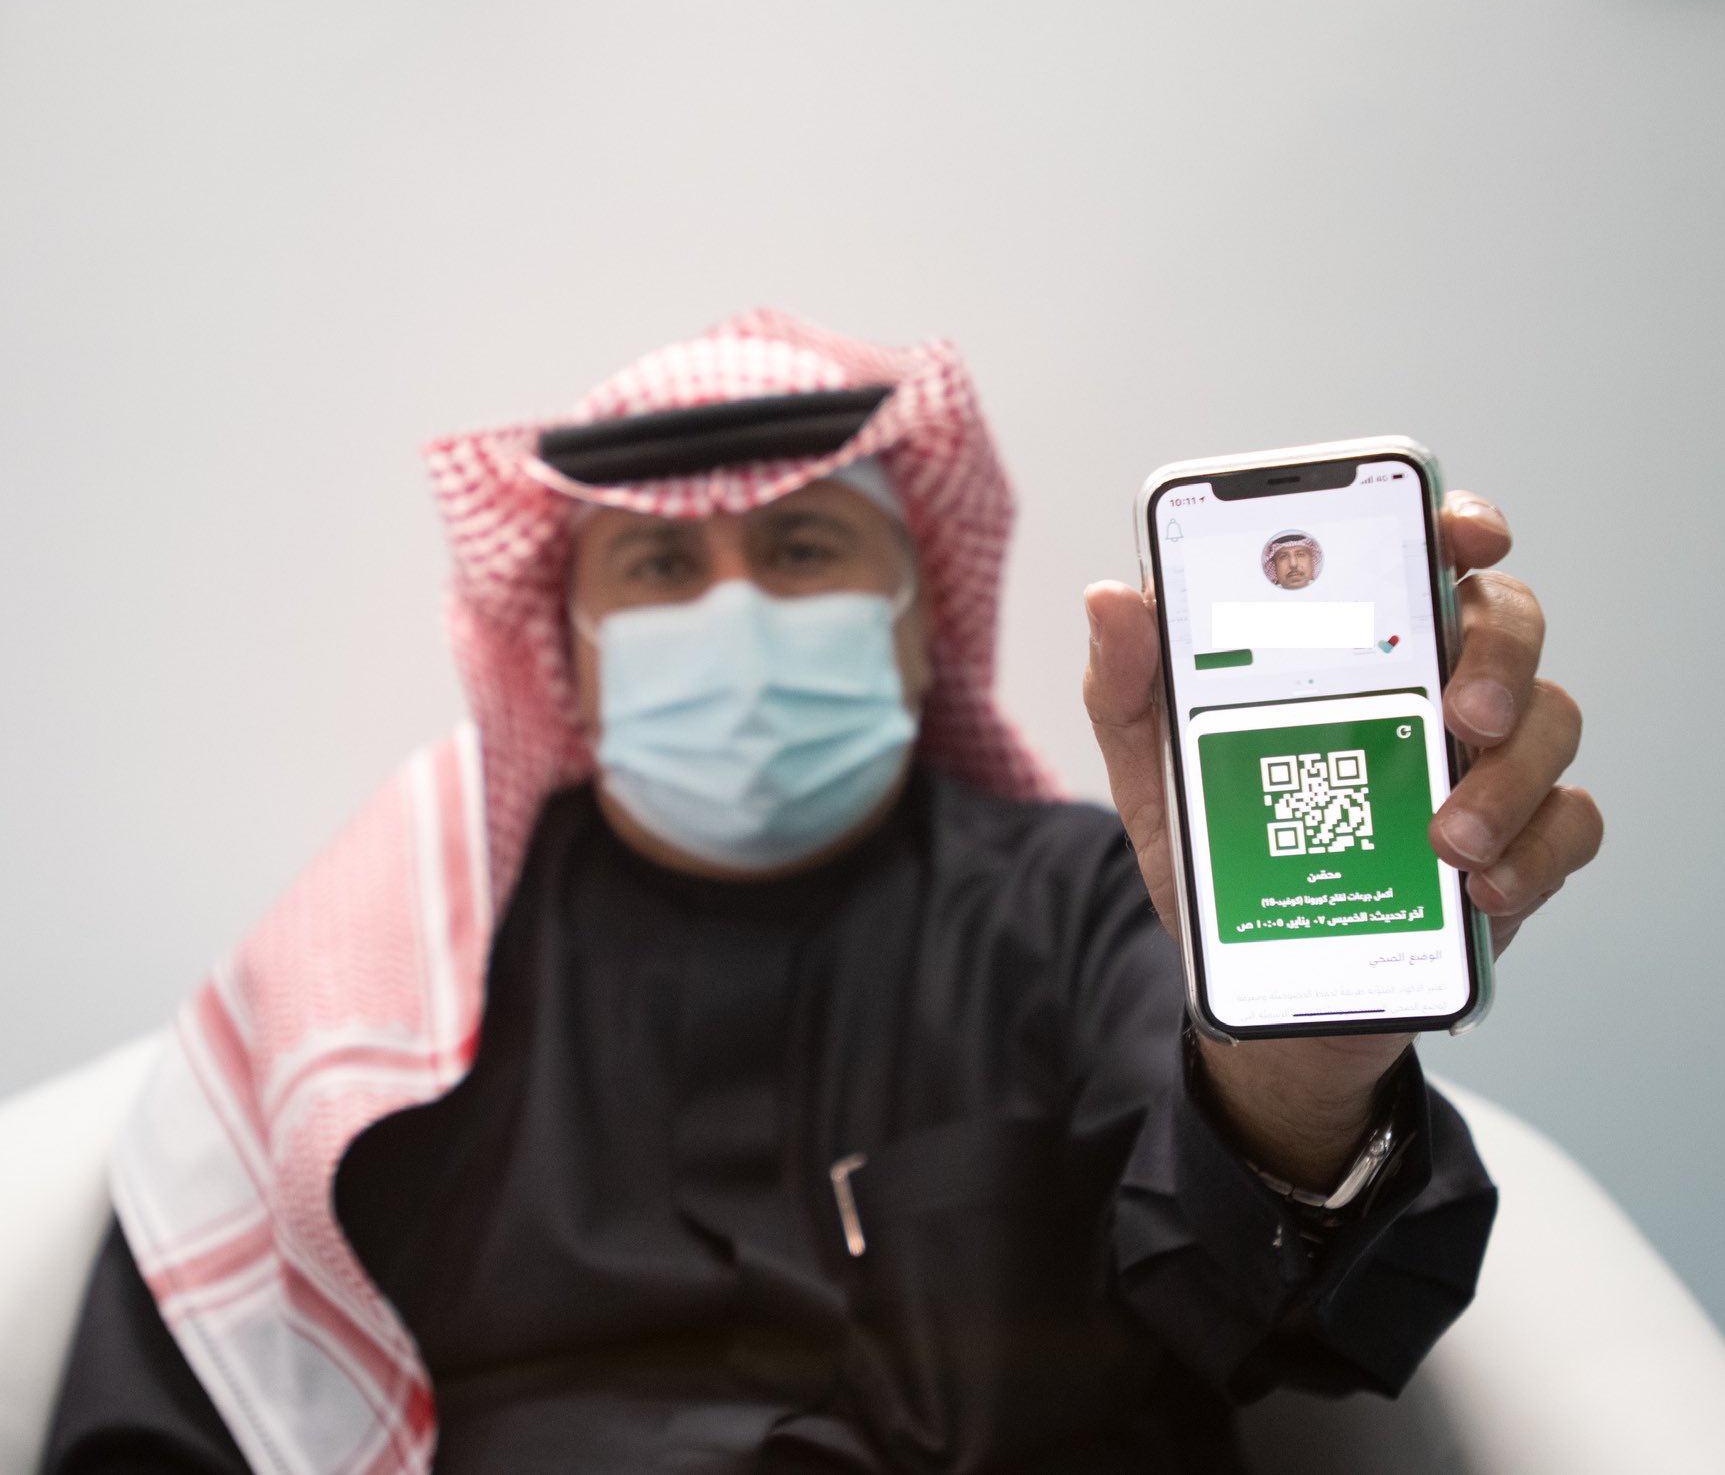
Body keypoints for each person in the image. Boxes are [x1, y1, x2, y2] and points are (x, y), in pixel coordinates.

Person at [43, 310, 1600, 1474]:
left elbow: (1289, 1315)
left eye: (799, 548)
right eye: (661, 570)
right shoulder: (391, 967)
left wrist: (1304, 1066)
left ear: (919, 624)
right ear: (567, 651)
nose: (732, 609)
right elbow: (166, 1414)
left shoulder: (1088, 904)